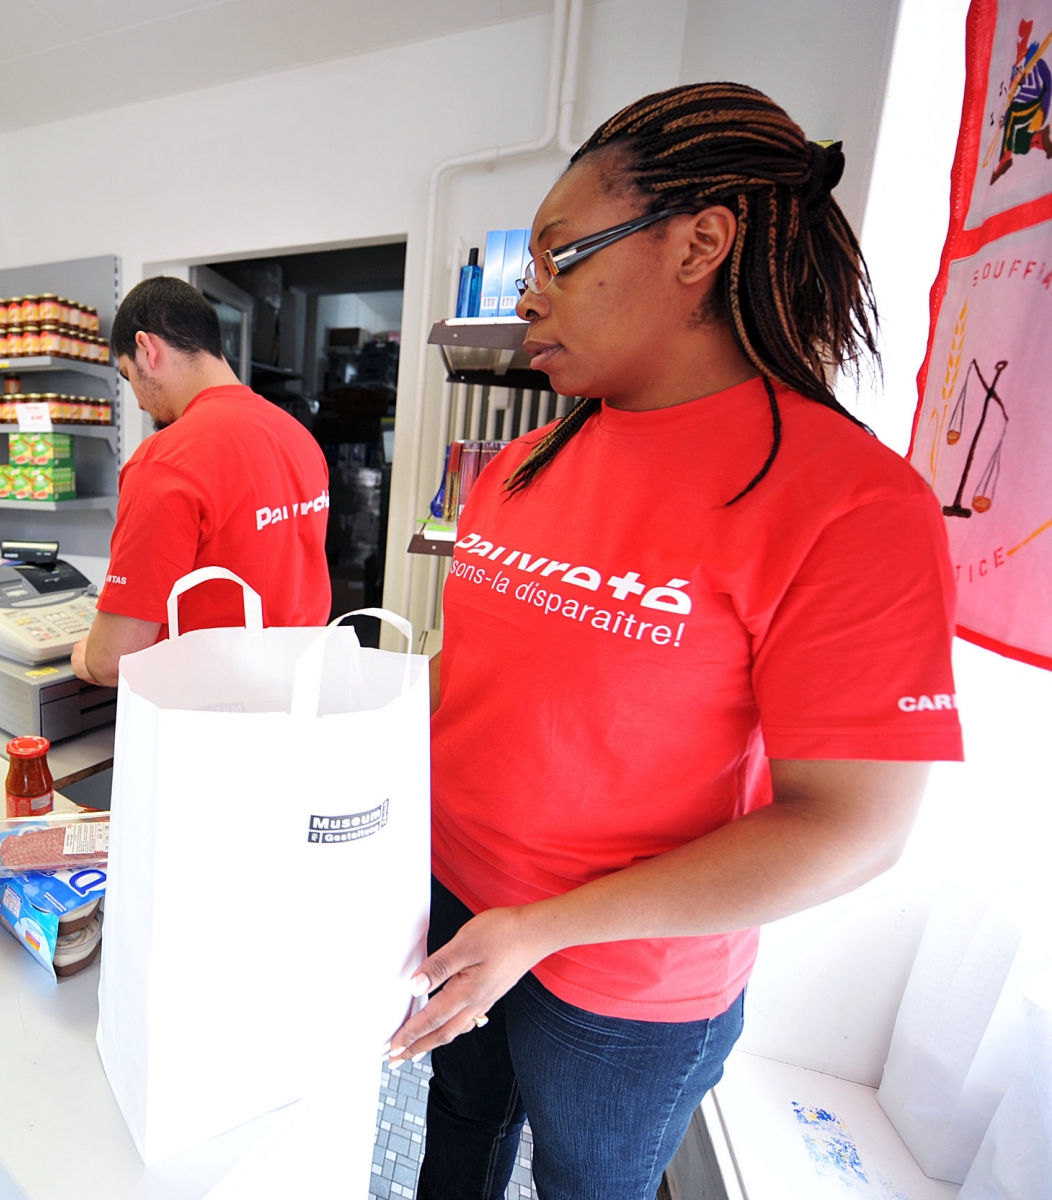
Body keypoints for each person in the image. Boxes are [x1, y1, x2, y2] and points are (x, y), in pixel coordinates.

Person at [385, 83, 964, 1200]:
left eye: (559, 255)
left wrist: (543, 930)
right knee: (454, 1140)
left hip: (623, 982)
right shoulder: (518, 467)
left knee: (588, 1185)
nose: (528, 292)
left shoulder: (846, 503)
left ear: (700, 243)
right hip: (452, 903)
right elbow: (479, 685)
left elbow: (849, 829)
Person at [72, 277, 330, 686]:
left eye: (127, 375)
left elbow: (113, 661)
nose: (138, 399)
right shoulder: (298, 437)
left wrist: (83, 655)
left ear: (147, 348)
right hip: (293, 697)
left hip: (210, 716)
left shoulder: (164, 462)